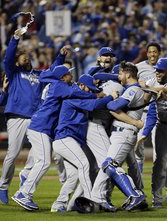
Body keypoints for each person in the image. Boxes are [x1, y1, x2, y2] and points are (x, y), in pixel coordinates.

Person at [11, 64, 97, 211]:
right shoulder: (59, 85)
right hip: (40, 127)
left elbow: (46, 76)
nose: (71, 75)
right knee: (44, 161)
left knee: (71, 173)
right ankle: (24, 193)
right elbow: (79, 94)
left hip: (42, 127)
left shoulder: (57, 84)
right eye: (68, 73)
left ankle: (58, 204)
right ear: (63, 77)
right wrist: (96, 95)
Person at [0, 27, 67, 204]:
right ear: (17, 61)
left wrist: (60, 57)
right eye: (22, 56)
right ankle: (3, 185)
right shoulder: (14, 74)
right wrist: (15, 39)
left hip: (35, 120)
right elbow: (7, 58)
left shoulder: (38, 75)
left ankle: (26, 174)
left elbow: (53, 71)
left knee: (40, 153)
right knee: (12, 155)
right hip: (17, 117)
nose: (26, 57)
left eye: (27, 55)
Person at [51, 74, 118, 212]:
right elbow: (95, 104)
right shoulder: (73, 97)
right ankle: (89, 200)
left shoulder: (80, 95)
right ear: (81, 86)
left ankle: (61, 205)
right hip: (64, 139)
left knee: (75, 176)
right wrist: (111, 96)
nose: (91, 92)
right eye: (89, 89)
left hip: (70, 142)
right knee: (84, 165)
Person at [91, 61, 146, 211]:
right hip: (123, 133)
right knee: (129, 166)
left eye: (121, 73)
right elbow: (99, 75)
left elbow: (113, 106)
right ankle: (98, 198)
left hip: (124, 133)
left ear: (128, 74)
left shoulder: (133, 89)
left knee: (109, 165)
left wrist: (111, 99)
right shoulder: (132, 87)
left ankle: (134, 195)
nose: (118, 76)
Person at [138, 57, 167, 208]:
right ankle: (156, 199)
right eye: (157, 70)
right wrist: (143, 89)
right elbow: (145, 101)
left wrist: (150, 88)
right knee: (159, 163)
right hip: (161, 126)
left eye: (161, 71)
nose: (158, 73)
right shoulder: (152, 82)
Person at [135, 41, 161, 173]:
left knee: (158, 148)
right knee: (138, 145)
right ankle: (138, 177)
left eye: (155, 52)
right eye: (150, 52)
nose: (152, 54)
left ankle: (158, 179)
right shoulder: (139, 67)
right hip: (142, 111)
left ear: (159, 53)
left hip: (157, 110)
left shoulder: (164, 67)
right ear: (146, 53)